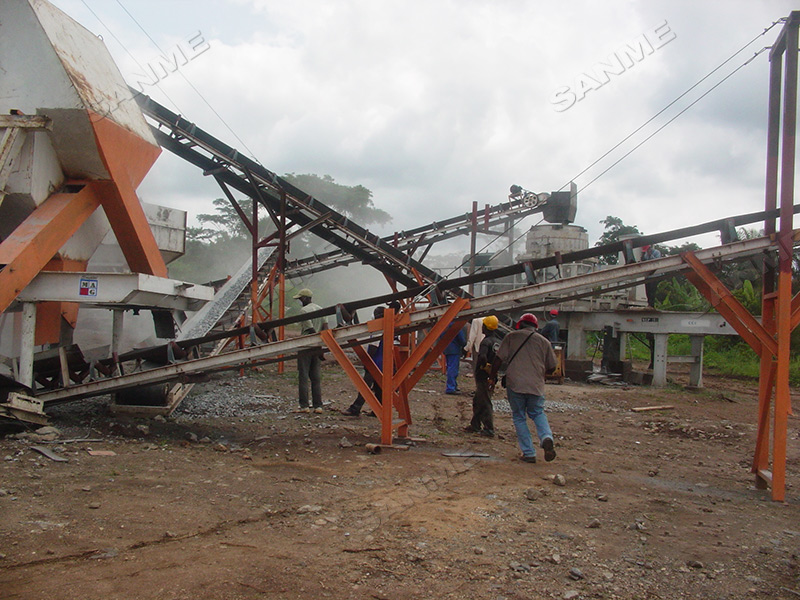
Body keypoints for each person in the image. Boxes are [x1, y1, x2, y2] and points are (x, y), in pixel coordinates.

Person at [494, 312, 557, 463]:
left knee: (519, 416)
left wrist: (491, 376)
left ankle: (528, 453)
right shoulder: (544, 342)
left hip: (515, 384)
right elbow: (553, 366)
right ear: (535, 326)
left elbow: (498, 359)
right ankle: (546, 437)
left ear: (520, 324)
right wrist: (541, 375)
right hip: (535, 385)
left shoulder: (511, 337)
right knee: (537, 413)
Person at [341, 307, 385, 416]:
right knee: (378, 387)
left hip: (374, 362)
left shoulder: (377, 327)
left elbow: (373, 347)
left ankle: (355, 408)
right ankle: (379, 410)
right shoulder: (386, 326)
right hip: (383, 362)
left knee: (365, 387)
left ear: (378, 315)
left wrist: (367, 362)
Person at [465, 315, 500, 437]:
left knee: (484, 401)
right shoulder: (496, 342)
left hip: (483, 376)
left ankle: (488, 429)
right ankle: (475, 424)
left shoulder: (485, 342)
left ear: (485, 327)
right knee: (478, 400)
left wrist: (482, 366)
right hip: (491, 376)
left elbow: (483, 356)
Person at [294, 288, 328, 413]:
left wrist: (317, 345)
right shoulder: (321, 309)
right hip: (317, 345)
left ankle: (304, 406)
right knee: (316, 377)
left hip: (306, 345)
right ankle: (318, 405)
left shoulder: (304, 310)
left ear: (305, 298)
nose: (299, 301)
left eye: (300, 298)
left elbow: (311, 329)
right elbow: (325, 328)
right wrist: (321, 345)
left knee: (303, 376)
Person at [443, 323, 467, 394]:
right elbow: (461, 338)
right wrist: (465, 345)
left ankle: (453, 386)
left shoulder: (445, 324)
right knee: (453, 369)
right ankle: (451, 388)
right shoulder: (456, 324)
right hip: (454, 349)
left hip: (447, 348)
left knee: (450, 367)